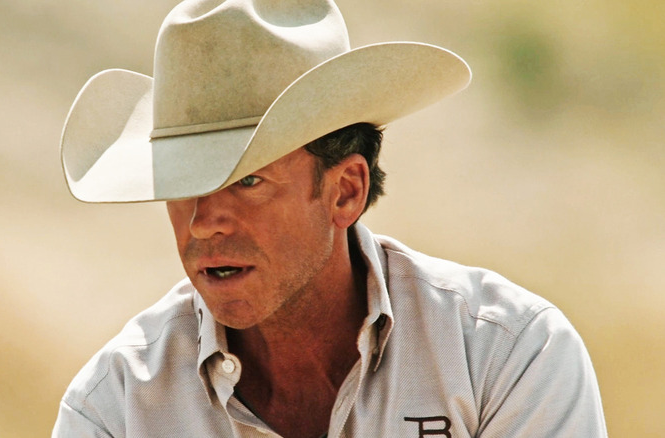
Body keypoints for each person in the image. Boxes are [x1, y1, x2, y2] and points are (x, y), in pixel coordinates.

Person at [53, 0, 607, 437]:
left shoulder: (506, 354)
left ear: (346, 191)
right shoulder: (115, 405)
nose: (202, 224)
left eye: (248, 181)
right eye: (182, 187)